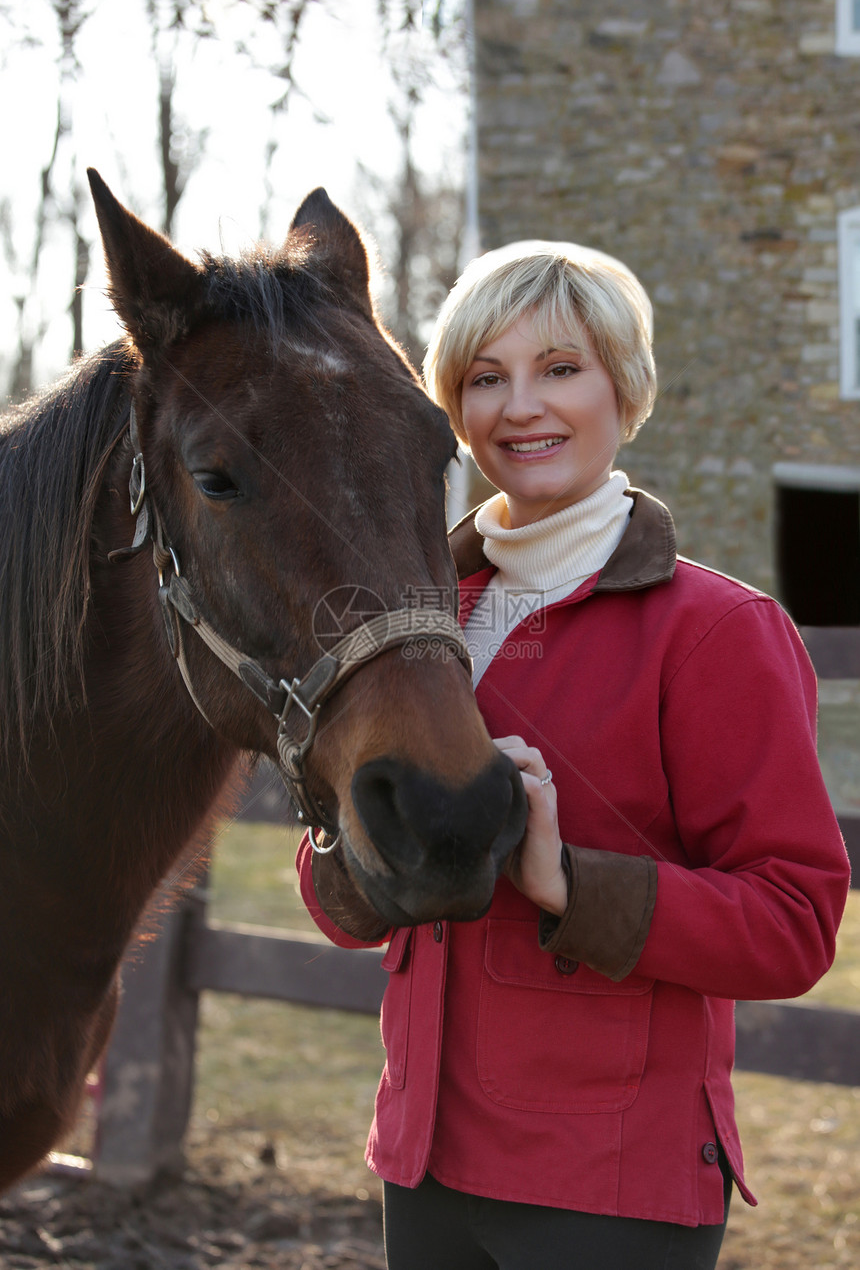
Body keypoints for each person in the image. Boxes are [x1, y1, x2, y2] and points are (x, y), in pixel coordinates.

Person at [296, 239, 851, 1269]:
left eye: (559, 369)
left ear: (621, 387)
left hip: (605, 1183)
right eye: (484, 378)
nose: (520, 407)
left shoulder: (714, 629)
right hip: (418, 1160)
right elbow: (340, 905)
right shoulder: (414, 619)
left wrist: (568, 883)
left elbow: (793, 924)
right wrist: (358, 848)